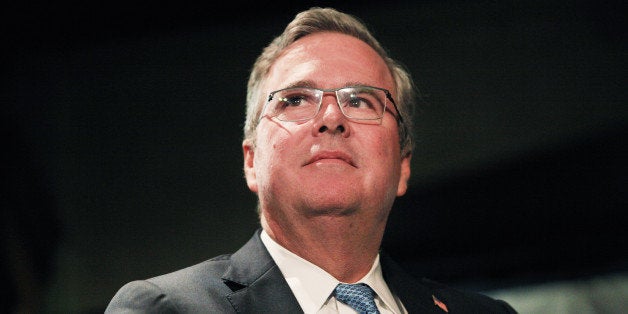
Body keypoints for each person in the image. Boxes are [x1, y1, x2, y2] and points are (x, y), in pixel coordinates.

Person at [105, 7, 517, 313]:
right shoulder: (164, 309)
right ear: (251, 160)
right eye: (296, 100)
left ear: (403, 165)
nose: (332, 118)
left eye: (360, 100)